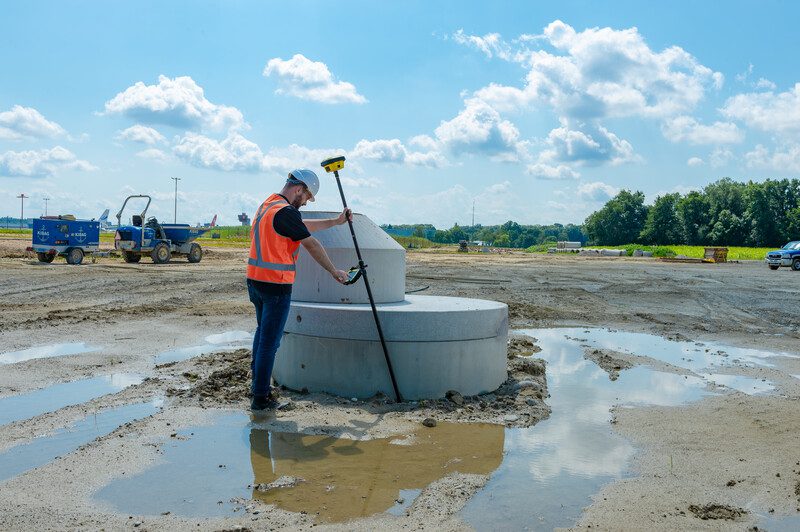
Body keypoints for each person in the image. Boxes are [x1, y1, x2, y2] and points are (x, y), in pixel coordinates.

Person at [246, 169, 351, 411]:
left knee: (262, 335)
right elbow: (311, 243)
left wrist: (335, 222)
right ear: (299, 189)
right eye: (307, 197)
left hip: (256, 282)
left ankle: (256, 385)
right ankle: (261, 398)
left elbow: (301, 226)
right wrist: (333, 271)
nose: (305, 202)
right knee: (269, 344)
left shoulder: (269, 205)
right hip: (276, 286)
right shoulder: (285, 212)